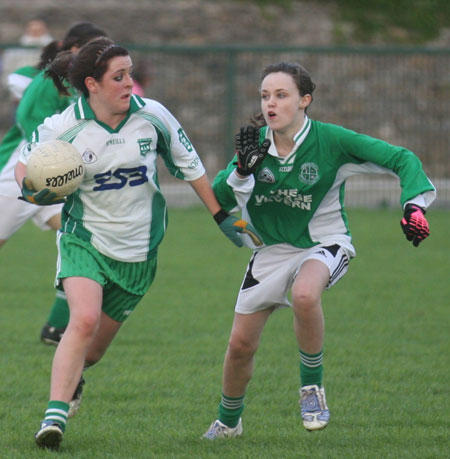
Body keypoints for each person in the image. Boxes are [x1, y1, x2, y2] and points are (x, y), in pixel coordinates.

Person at [15, 37, 261, 450]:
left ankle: (76, 379)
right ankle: (53, 419)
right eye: (119, 76)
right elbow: (26, 163)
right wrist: (33, 188)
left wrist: (222, 216)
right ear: (92, 84)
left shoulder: (153, 117)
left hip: (138, 253)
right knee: (84, 319)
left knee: (91, 353)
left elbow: (191, 166)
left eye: (130, 73)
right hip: (84, 240)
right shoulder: (65, 126)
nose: (130, 82)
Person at [202, 61, 436, 439]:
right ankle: (228, 422)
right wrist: (242, 171)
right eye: (265, 96)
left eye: (281, 95)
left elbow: (401, 158)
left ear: (304, 100)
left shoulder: (331, 141)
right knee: (240, 346)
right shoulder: (255, 145)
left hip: (324, 242)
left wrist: (413, 205)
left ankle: (311, 389)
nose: (270, 104)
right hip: (271, 252)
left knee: (305, 295)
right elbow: (219, 198)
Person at [0, 22, 108, 346]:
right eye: (92, 51)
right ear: (72, 49)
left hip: (56, 177)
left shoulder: (86, 86)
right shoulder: (49, 81)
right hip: (17, 174)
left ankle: (57, 327)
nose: (97, 58)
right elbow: (38, 137)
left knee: (85, 237)